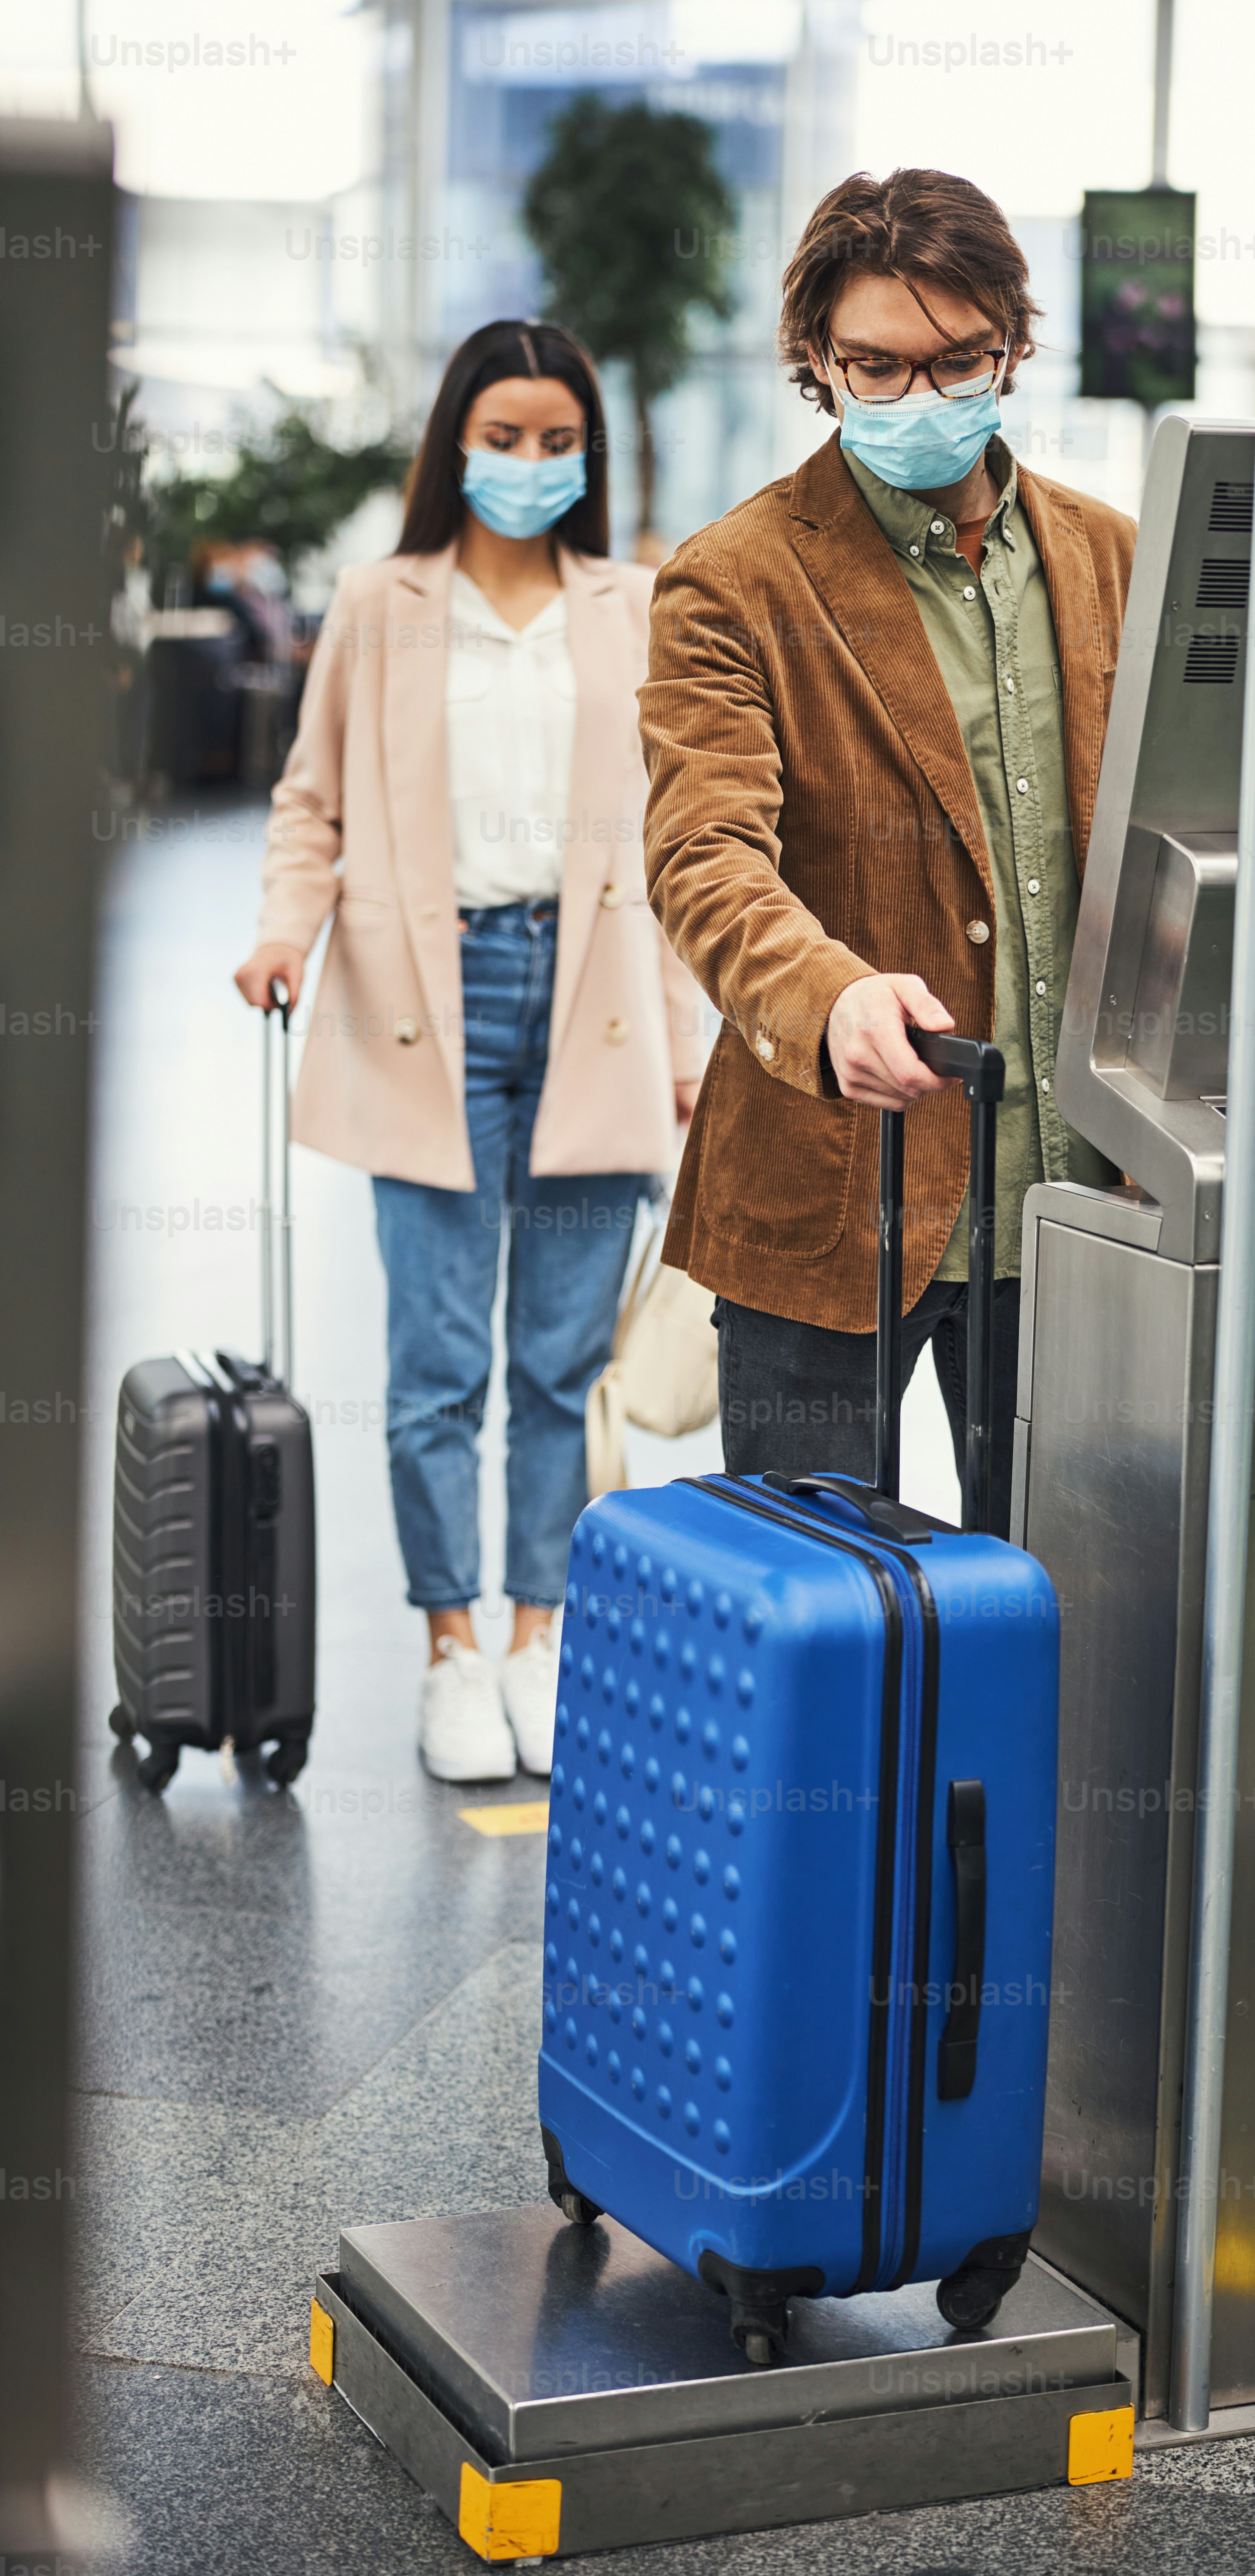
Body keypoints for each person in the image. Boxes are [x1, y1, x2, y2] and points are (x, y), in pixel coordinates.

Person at [235, 320, 705, 1782]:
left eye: (557, 439)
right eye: (501, 436)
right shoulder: (383, 606)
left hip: (599, 1005)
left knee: (563, 1368)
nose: (528, 463)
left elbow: (691, 843)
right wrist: (282, 937)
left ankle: (540, 1637)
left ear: (591, 454)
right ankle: (451, 1647)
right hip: (419, 1001)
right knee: (438, 1365)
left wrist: (696, 1037)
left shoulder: (635, 605)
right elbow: (312, 803)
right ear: (453, 444)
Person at [641, 169, 1134, 1532]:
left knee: (1057, 1618)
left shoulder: (1112, 561)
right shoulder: (736, 579)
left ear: (1015, 349)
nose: (921, 396)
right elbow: (704, 853)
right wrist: (827, 993)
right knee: (823, 1633)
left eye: (958, 361)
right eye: (876, 365)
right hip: (829, 1195)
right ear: (817, 360)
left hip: (1077, 1208)